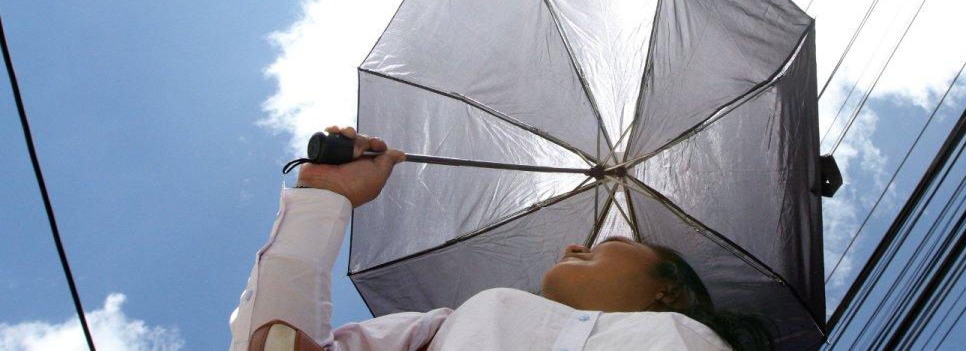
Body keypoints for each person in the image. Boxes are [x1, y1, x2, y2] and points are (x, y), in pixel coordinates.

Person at [229, 126, 773, 351]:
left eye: (608, 244)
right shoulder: (440, 330)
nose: (573, 246)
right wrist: (326, 195)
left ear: (668, 288)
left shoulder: (691, 339)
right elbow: (275, 345)